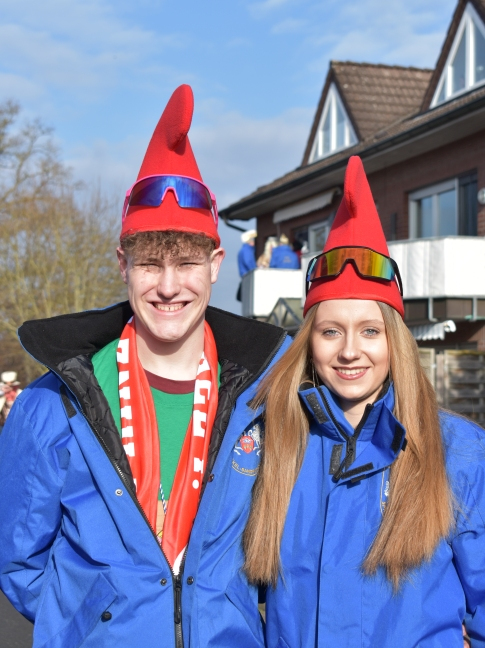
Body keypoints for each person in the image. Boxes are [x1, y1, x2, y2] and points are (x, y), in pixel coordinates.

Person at [0, 85, 291, 648]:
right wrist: (100, 621)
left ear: (215, 265)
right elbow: (18, 561)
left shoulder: (264, 397)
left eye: (187, 264)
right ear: (122, 265)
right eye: (150, 263)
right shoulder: (50, 405)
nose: (168, 286)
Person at [243, 156, 485, 647]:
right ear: (309, 341)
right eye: (331, 331)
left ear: (395, 340)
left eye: (370, 331)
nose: (350, 351)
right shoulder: (273, 446)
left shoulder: (458, 452)